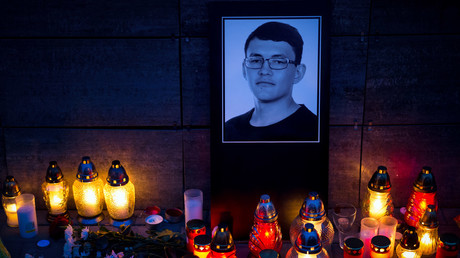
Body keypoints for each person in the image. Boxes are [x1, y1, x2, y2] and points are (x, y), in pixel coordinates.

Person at [224, 21, 318, 141]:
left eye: (278, 62)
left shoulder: (315, 130)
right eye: (256, 60)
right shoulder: (229, 130)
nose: (264, 70)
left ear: (298, 73)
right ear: (244, 69)